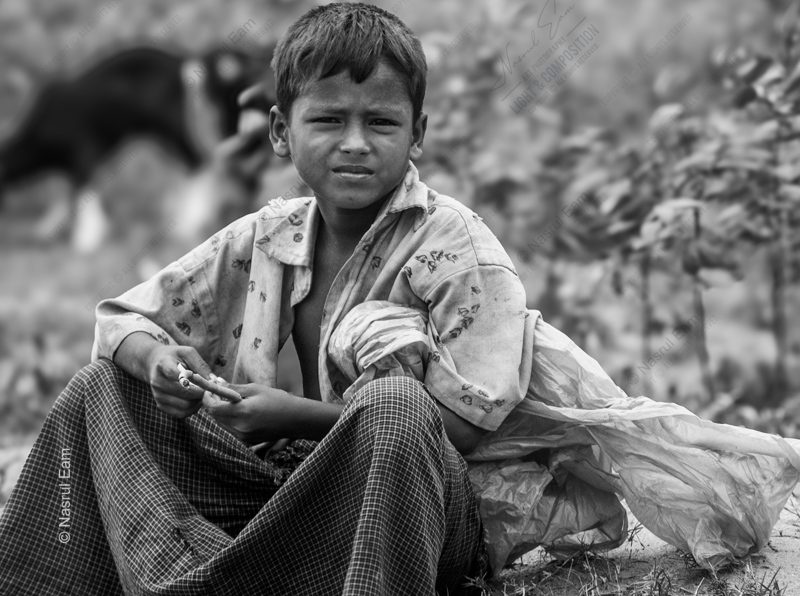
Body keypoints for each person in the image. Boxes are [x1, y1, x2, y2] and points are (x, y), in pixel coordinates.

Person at [0, 4, 531, 594]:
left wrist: (296, 415)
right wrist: (160, 365)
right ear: (281, 132)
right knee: (104, 387)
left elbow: (466, 425)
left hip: (417, 516)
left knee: (395, 406)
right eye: (328, 120)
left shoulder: (456, 244)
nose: (355, 143)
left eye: (381, 123)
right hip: (272, 494)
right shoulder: (266, 235)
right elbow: (120, 321)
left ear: (418, 135)